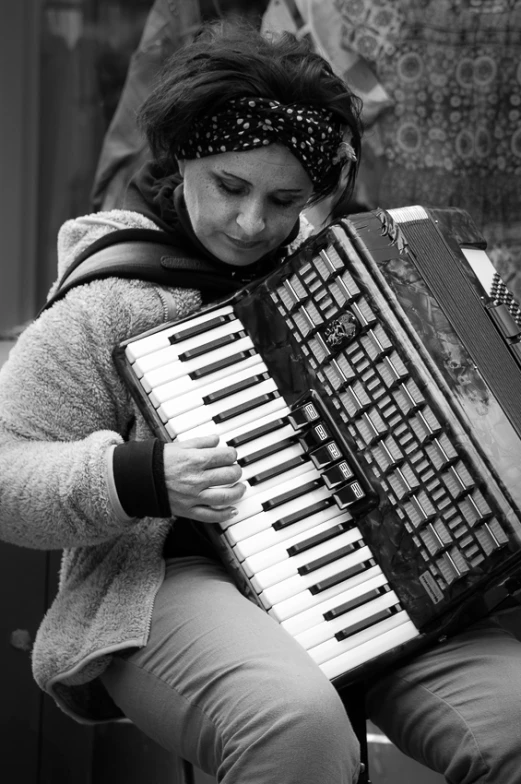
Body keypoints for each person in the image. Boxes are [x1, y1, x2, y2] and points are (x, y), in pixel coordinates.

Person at [1, 19, 521, 784]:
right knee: (294, 726)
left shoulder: (349, 278)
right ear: (184, 158)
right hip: (166, 583)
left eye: (284, 200)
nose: (252, 224)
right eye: (230, 187)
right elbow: (8, 472)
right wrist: (137, 476)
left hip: (382, 579)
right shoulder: (110, 296)